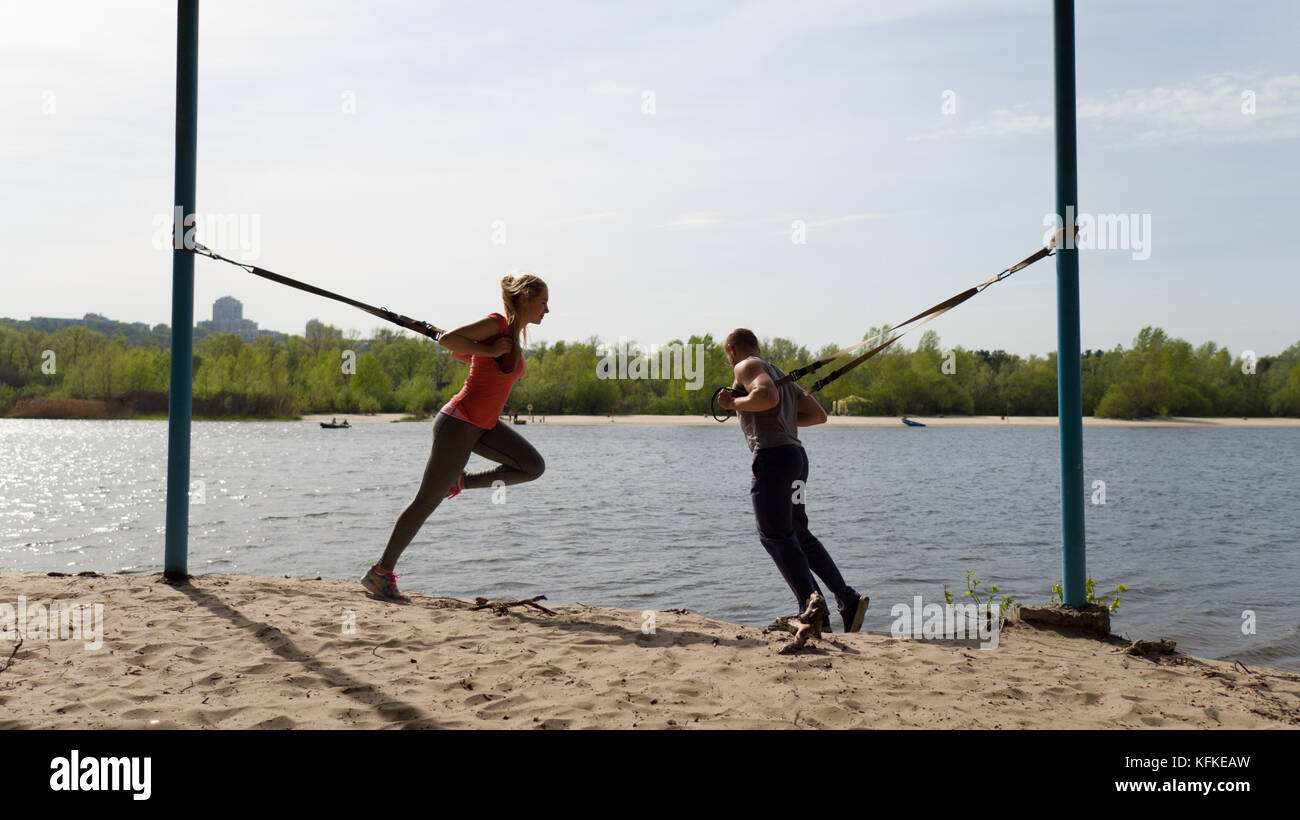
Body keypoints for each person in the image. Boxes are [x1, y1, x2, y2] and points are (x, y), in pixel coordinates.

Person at [361, 273, 550, 601]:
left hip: (484, 427)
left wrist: (482, 351)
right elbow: (449, 342)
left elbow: (462, 353)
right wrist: (488, 349)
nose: (547, 310)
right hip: (459, 423)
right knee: (426, 500)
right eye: (543, 302)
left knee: (532, 466)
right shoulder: (497, 324)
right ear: (524, 299)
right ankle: (381, 573)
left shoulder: (513, 336)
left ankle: (459, 483)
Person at [715, 328, 869, 633]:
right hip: (797, 460)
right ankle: (847, 600)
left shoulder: (745, 366)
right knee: (798, 534)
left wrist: (734, 404)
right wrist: (780, 415)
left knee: (774, 535)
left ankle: (811, 611)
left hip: (773, 460)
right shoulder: (779, 372)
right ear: (757, 346)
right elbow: (818, 414)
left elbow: (767, 396)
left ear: (732, 350)